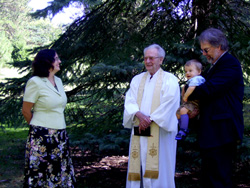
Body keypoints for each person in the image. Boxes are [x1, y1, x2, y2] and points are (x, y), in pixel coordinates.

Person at [188, 28, 244, 187]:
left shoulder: (230, 64)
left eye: (206, 50)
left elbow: (210, 89)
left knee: (219, 178)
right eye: (202, 50)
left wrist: (187, 93)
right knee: (210, 177)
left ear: (219, 46)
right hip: (213, 132)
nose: (204, 54)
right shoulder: (216, 66)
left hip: (222, 132)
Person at [123, 44, 180, 188]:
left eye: (151, 58)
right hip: (140, 128)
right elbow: (129, 100)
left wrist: (150, 119)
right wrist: (139, 115)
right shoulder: (137, 79)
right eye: (145, 58)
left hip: (160, 131)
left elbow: (170, 103)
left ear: (161, 60)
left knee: (160, 167)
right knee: (139, 162)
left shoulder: (170, 79)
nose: (148, 61)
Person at [22, 49, 76, 187]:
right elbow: (26, 111)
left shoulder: (58, 80)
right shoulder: (35, 82)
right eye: (56, 58)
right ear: (47, 62)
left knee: (59, 172)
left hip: (60, 136)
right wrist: (38, 130)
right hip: (42, 136)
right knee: (42, 175)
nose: (59, 61)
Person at [175, 59, 205, 140]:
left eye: (190, 70)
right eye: (186, 71)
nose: (187, 73)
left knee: (183, 111)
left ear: (199, 71)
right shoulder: (191, 80)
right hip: (190, 103)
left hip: (195, 103)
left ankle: (183, 130)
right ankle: (184, 128)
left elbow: (192, 88)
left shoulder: (197, 79)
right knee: (178, 114)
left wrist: (185, 97)